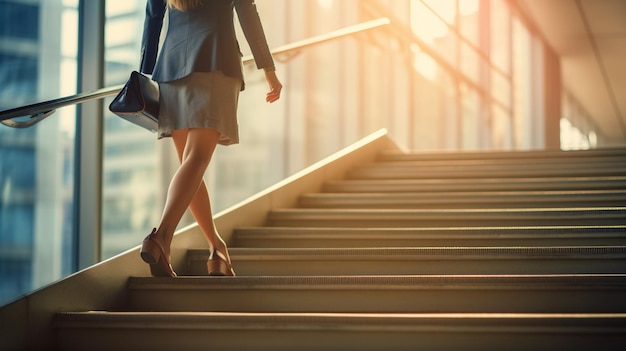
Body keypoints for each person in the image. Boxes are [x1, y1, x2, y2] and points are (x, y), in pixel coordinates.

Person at [138, 0, 282, 277]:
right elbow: (247, 11)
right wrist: (269, 69)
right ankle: (161, 237)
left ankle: (216, 248)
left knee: (190, 166)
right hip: (215, 57)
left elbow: (153, 12)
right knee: (196, 160)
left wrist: (145, 69)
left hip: (171, 66)